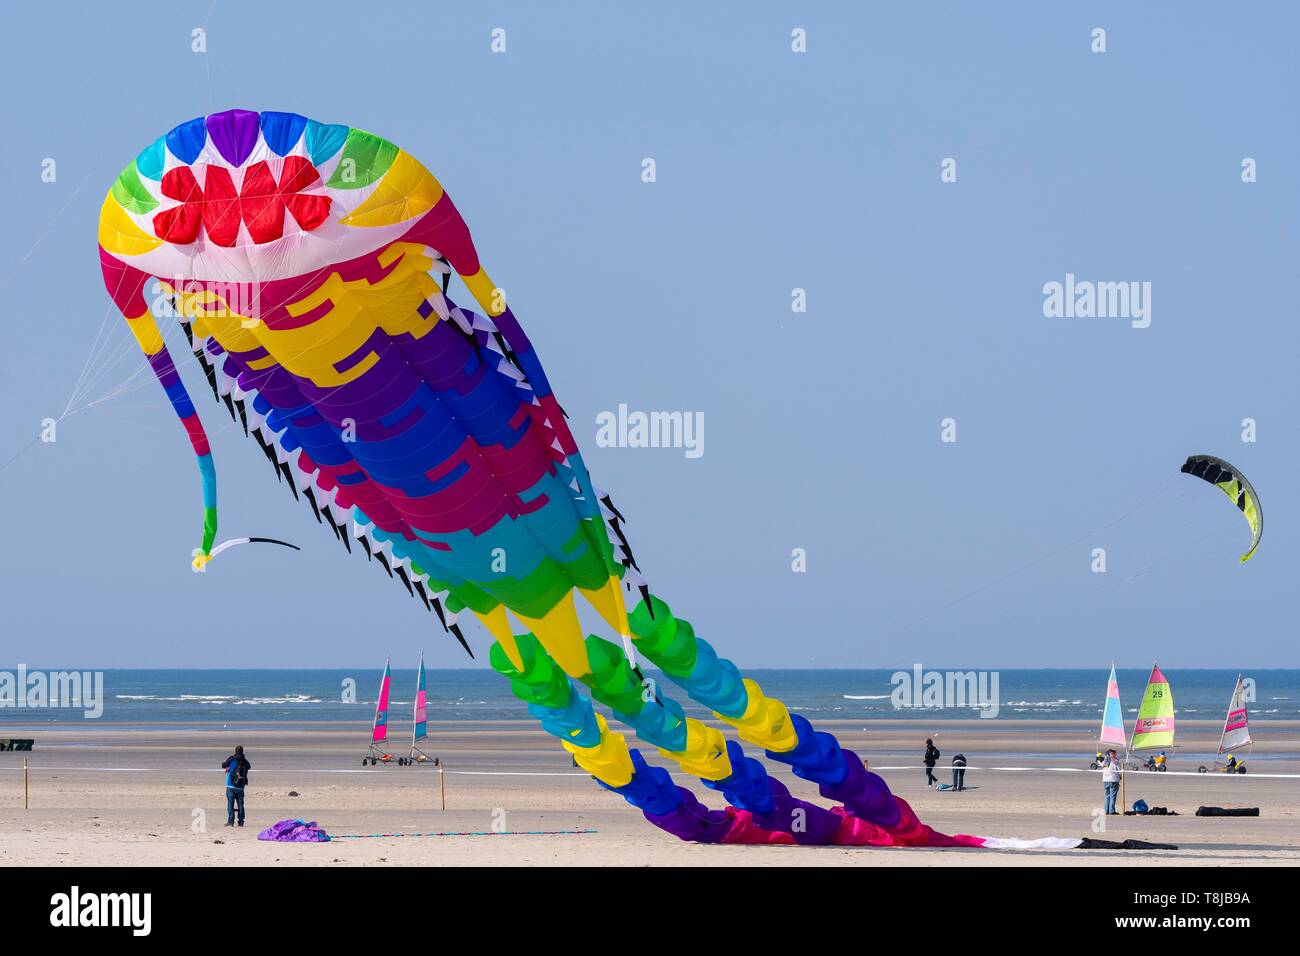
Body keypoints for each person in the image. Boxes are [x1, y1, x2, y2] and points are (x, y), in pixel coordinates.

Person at [221, 745, 251, 827]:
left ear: (235, 751)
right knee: (240, 804)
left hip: (230, 785)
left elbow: (223, 765)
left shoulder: (231, 758)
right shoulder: (245, 761)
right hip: (240, 787)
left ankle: (230, 821)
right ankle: (241, 822)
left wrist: (228, 766)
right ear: (242, 751)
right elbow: (249, 767)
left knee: (230, 803)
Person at [1100, 748, 1121, 814]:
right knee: (1112, 796)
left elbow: (1101, 765)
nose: (1116, 755)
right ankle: (1111, 810)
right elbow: (1119, 769)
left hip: (1106, 780)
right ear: (1111, 754)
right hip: (1113, 780)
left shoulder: (1104, 761)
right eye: (1115, 754)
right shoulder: (1115, 761)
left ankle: (1106, 810)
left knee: (1107, 795)